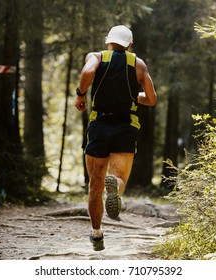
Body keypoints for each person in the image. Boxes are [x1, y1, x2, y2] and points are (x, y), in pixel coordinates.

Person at [75, 25, 157, 250]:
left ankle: (97, 233)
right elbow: (151, 98)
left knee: (95, 185)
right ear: (130, 44)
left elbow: (87, 73)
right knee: (119, 178)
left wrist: (81, 95)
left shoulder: (97, 57)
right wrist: (134, 96)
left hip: (99, 125)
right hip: (126, 125)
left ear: (107, 41)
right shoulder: (138, 64)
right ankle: (116, 188)